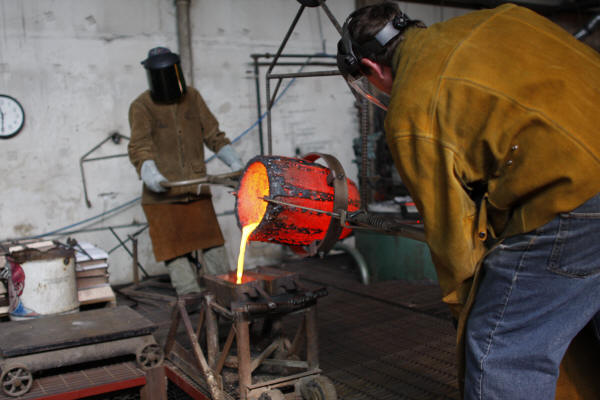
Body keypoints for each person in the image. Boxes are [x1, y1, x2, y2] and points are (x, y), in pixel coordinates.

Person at [337, 3, 600, 399]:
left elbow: (452, 239)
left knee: (502, 347)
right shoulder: (503, 17)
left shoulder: (411, 109)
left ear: (373, 70)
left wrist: (467, 310)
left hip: (576, 198)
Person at [128, 47, 244, 296]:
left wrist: (234, 162)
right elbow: (139, 147)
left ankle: (226, 303)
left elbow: (213, 135)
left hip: (196, 193)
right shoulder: (141, 106)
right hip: (163, 199)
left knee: (216, 256)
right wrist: (150, 172)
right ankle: (194, 311)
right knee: (176, 258)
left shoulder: (192, 97)